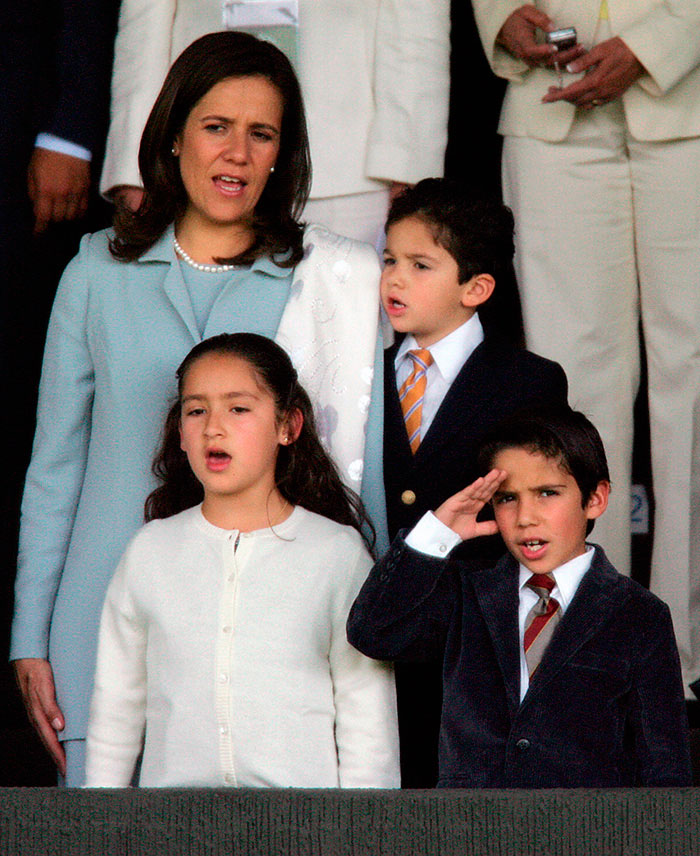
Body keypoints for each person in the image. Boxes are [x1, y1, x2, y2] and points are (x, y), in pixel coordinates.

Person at [11, 31, 386, 787]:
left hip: (272, 636)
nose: (238, 155)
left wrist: (372, 630)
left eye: (262, 134)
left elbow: (361, 479)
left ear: (284, 152)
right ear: (174, 137)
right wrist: (31, 636)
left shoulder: (327, 279)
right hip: (98, 618)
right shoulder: (95, 271)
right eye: (217, 127)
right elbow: (55, 467)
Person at [470, 0, 700, 693]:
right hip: (549, 104)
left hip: (687, 102)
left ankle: (681, 657)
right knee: (571, 389)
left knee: (690, 380)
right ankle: (585, 647)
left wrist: (659, 43)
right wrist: (500, 13)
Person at [84, 333, 399, 788]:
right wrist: (101, 824)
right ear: (181, 434)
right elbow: (116, 707)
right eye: (196, 410)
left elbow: (366, 719)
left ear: (288, 426)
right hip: (173, 825)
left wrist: (362, 835)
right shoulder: (150, 551)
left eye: (238, 408)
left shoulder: (336, 553)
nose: (214, 427)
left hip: (303, 828)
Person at [349, 408, 692, 787]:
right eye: (507, 498)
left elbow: (664, 769)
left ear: (595, 498)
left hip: (586, 838)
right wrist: (433, 536)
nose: (526, 516)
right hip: (469, 833)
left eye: (547, 493)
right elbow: (373, 632)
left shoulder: (639, 615)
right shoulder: (466, 592)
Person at [381, 178, 568, 786]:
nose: (395, 279)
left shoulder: (528, 382)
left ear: (477, 287)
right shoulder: (363, 371)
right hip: (375, 621)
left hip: (475, 643)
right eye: (389, 260)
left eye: (419, 264)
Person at [99, 0, 451, 245]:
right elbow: (143, 23)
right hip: (199, 160)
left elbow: (415, 21)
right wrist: (136, 166)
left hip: (350, 172)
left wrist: (409, 172)